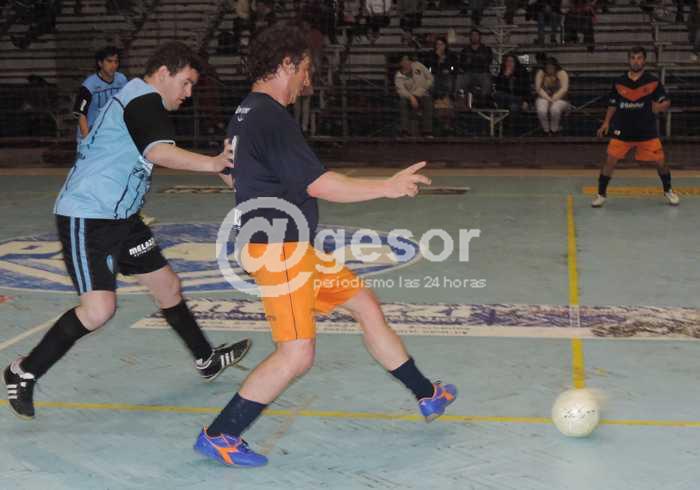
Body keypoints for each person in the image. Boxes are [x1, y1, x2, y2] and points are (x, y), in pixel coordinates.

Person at [193, 25, 457, 468]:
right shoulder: (269, 116)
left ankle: (426, 393)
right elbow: (320, 184)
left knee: (364, 304)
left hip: (293, 247)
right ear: (287, 65)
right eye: (306, 70)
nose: (308, 80)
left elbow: (231, 174)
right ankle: (221, 434)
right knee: (297, 354)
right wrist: (387, 187)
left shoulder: (246, 111)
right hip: (279, 251)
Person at [4, 42, 252, 420]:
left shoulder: (140, 99)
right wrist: (214, 163)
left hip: (122, 217)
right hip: (88, 216)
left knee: (167, 286)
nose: (188, 93)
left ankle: (206, 360)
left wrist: (216, 167)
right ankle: (23, 371)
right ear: (165, 73)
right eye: (186, 83)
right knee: (99, 309)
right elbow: (158, 153)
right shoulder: (143, 100)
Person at [592, 46, 679, 207]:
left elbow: (666, 102)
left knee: (660, 162)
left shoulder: (653, 81)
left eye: (639, 58)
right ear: (628, 60)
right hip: (622, 130)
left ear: (644, 60)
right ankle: (601, 194)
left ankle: (668, 190)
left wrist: (659, 107)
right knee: (610, 162)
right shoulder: (619, 82)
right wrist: (606, 122)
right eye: (633, 58)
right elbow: (612, 104)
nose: (636, 61)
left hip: (647, 131)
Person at [73, 46, 128, 143]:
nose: (113, 65)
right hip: (90, 135)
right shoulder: (89, 85)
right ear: (100, 63)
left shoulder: (122, 80)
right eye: (109, 61)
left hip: (112, 135)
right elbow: (81, 114)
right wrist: (87, 141)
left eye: (116, 62)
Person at [395, 53, 434, 137]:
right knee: (403, 103)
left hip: (422, 94)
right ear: (400, 63)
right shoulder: (399, 76)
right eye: (403, 60)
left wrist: (421, 90)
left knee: (428, 102)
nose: (406, 62)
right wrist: (411, 97)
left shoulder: (418, 65)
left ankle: (427, 132)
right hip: (409, 97)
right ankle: (405, 131)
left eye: (407, 59)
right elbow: (401, 90)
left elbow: (430, 78)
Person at [457, 29, 493, 105]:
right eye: (472, 35)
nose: (474, 37)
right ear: (470, 37)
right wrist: (477, 60)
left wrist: (472, 61)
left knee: (486, 78)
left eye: (476, 35)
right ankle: (459, 100)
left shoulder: (486, 49)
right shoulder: (465, 50)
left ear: (480, 37)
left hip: (482, 73)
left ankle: (484, 101)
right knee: (459, 78)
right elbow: (462, 64)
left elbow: (488, 62)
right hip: (468, 73)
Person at [534, 56, 569, 135]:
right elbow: (538, 89)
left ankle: (554, 129)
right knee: (541, 110)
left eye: (551, 67)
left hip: (561, 99)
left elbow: (564, 89)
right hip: (544, 97)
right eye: (548, 67)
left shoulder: (562, 73)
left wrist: (553, 99)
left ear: (555, 66)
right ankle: (546, 130)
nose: (549, 69)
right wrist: (548, 99)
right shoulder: (541, 73)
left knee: (554, 109)